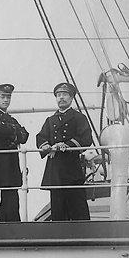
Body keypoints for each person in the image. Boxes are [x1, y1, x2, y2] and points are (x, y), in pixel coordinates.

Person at [37, 82, 93, 221]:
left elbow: (86, 138)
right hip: (55, 169)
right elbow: (41, 137)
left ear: (71, 97)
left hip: (71, 167)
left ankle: (82, 235)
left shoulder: (79, 118)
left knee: (77, 206)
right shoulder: (50, 120)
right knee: (58, 208)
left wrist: (67, 145)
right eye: (58, 95)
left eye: (65, 95)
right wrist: (45, 146)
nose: (61, 98)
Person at [0, 83, 30, 222]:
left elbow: (24, 136)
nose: (6, 100)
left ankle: (7, 223)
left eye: (8, 97)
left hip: (12, 160)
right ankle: (10, 223)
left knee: (11, 194)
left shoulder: (11, 119)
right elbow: (0, 130)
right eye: (3, 97)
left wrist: (12, 130)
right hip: (1, 160)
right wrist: (15, 130)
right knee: (8, 194)